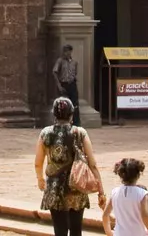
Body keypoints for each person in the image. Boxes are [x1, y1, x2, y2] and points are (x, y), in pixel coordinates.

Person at [32, 96, 102, 236]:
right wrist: (101, 190)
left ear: (54, 114)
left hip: (54, 187)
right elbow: (92, 164)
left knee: (60, 230)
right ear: (71, 114)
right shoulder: (80, 133)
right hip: (76, 186)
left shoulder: (45, 133)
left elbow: (38, 162)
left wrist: (40, 179)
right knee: (76, 230)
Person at [105, 156, 148, 236]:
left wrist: (109, 232)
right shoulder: (143, 194)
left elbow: (105, 215)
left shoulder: (114, 192)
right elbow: (145, 215)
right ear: (138, 175)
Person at [52, 44, 80, 114]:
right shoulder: (60, 61)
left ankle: (75, 121)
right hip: (64, 84)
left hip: (72, 84)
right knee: (64, 104)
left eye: (68, 51)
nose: (66, 53)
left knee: (74, 104)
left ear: (70, 52)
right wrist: (59, 86)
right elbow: (54, 72)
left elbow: (75, 72)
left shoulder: (74, 62)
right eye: (65, 51)